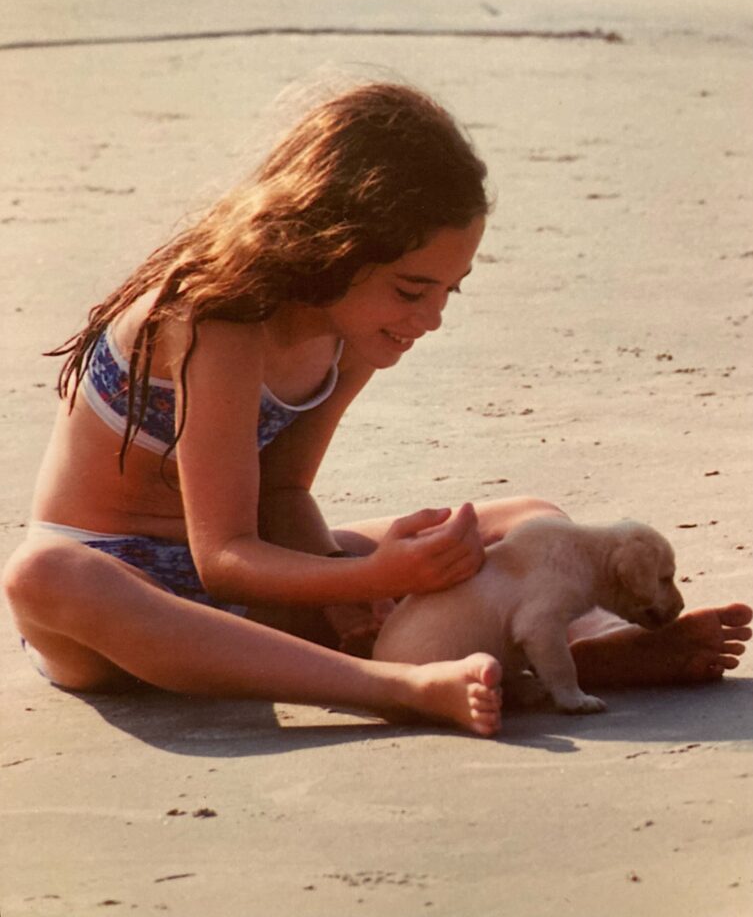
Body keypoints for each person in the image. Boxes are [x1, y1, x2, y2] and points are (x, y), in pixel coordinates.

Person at [2, 81, 749, 737]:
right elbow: (223, 559)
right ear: (333, 246)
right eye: (409, 289)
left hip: (254, 580)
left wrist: (343, 581)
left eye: (446, 292)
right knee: (42, 575)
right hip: (123, 598)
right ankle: (397, 686)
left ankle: (574, 650)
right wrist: (367, 578)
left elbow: (286, 493)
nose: (429, 320)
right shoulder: (216, 318)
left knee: (528, 521)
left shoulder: (350, 327)